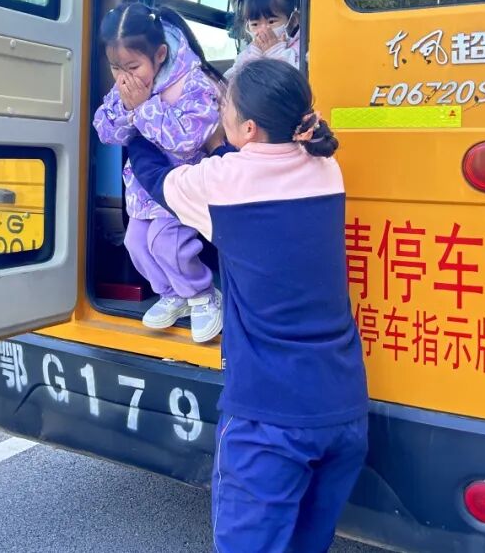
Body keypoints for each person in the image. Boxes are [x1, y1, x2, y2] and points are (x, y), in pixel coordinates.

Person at [126, 59, 368, 552]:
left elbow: (157, 180)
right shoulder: (326, 166)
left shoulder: (222, 183)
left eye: (224, 107)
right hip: (343, 409)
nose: (219, 113)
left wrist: (135, 120)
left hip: (269, 418)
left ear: (250, 128)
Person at [92, 2, 225, 343]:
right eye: (115, 67)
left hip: (182, 186)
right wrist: (126, 107)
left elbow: (186, 140)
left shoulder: (195, 82)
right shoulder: (130, 85)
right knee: (136, 243)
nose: (125, 77)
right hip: (144, 190)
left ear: (161, 53)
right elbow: (109, 132)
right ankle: (173, 294)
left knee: (165, 242)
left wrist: (143, 108)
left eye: (133, 66)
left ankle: (203, 293)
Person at [225, 0, 301, 79]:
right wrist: (254, 57)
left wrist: (275, 52)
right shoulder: (248, 52)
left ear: (293, 20)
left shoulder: (301, 49)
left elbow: (297, 81)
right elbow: (230, 80)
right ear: (247, 26)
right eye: (255, 24)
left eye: (271, 21)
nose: (263, 30)